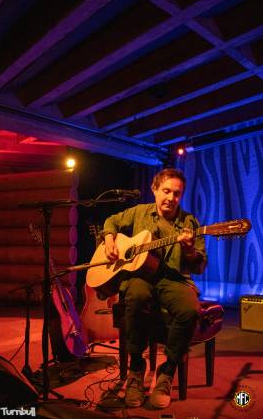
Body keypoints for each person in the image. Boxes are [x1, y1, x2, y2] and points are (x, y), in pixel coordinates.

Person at [103, 168, 207, 409]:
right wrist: (110, 239)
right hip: (140, 275)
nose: (171, 198)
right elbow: (112, 221)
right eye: (166, 191)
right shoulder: (139, 212)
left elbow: (200, 265)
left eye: (177, 194)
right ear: (155, 189)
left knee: (189, 311)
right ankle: (136, 369)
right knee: (137, 296)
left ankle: (167, 372)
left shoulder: (189, 223)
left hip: (174, 279)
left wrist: (189, 250)